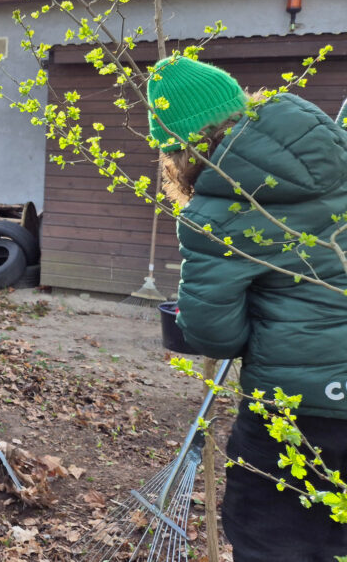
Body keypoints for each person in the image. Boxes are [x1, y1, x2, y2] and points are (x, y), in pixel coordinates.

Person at [148, 54, 347, 561]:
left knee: (270, 539)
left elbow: (214, 335)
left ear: (181, 150)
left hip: (297, 412)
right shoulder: (336, 146)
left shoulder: (216, 213)